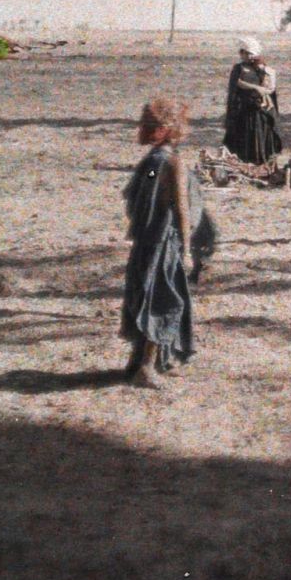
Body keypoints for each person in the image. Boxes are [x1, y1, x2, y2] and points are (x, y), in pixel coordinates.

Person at [120, 97, 198, 387]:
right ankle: (145, 366)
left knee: (146, 297)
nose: (142, 129)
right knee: (161, 301)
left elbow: (143, 192)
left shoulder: (154, 162)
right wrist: (187, 250)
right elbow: (181, 207)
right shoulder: (169, 163)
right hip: (162, 243)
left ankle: (137, 361)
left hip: (146, 241)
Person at [223, 38, 281, 164]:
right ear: (241, 53)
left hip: (259, 109)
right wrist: (255, 87)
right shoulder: (239, 68)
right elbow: (237, 83)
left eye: (251, 54)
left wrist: (265, 75)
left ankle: (261, 163)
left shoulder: (260, 67)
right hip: (244, 110)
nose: (249, 56)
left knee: (261, 135)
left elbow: (269, 86)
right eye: (246, 53)